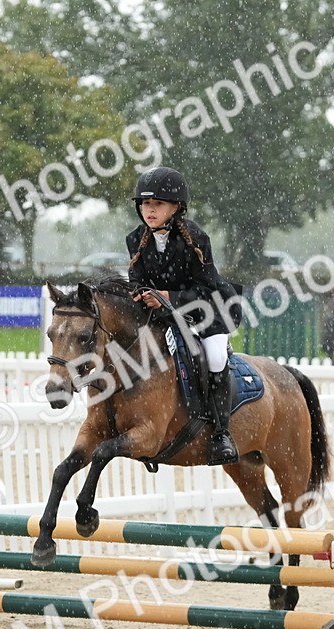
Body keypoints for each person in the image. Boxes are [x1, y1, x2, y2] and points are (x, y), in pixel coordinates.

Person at [125, 166, 240, 466]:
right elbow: (136, 279)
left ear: (176, 208)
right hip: (164, 314)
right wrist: (141, 295)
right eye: (145, 204)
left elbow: (206, 287)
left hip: (206, 310)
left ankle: (221, 434)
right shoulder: (136, 238)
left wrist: (167, 297)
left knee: (215, 356)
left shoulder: (195, 238)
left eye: (158, 204)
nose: (149, 210)